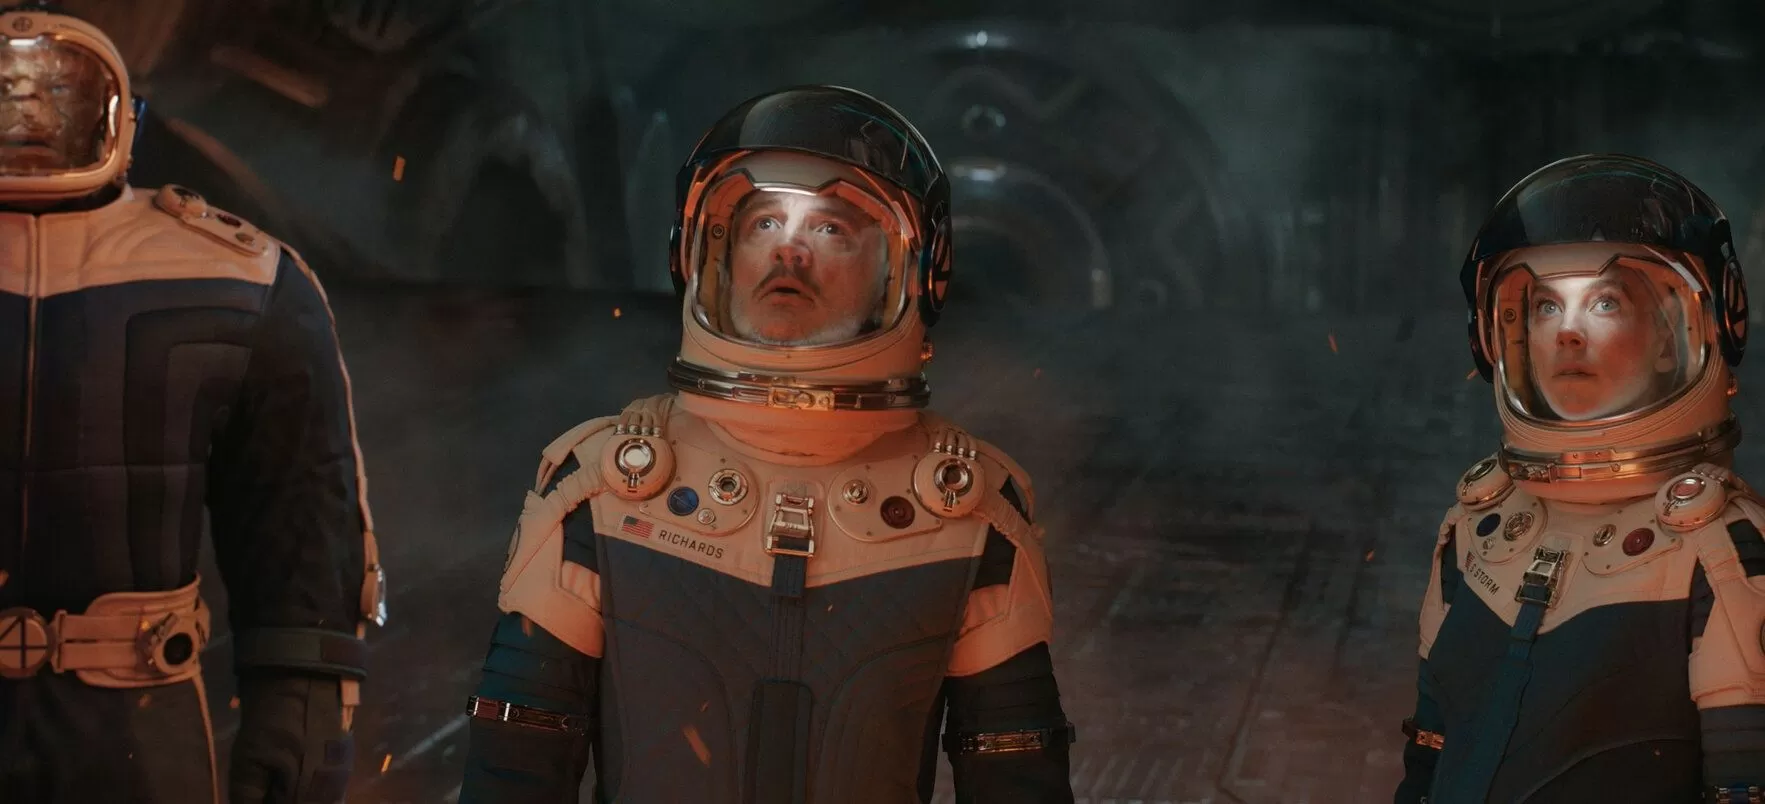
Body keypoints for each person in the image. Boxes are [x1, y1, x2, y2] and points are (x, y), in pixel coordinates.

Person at [460, 84, 1077, 803]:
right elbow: (515, 772)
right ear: (706, 254)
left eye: (830, 228)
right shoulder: (601, 489)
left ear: (909, 269)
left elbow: (1016, 785)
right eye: (762, 223)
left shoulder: (968, 513)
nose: (789, 248)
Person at [0, 5, 386, 803]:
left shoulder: (242, 280)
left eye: (54, 94)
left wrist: (302, 704)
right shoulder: (241, 283)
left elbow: (298, 519)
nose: (29, 117)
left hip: (139, 729)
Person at [1396, 153, 1765, 803]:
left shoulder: (1717, 554)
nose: (1567, 332)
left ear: (1673, 336)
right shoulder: (1476, 528)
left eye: (1603, 302)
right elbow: (1430, 751)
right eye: (1544, 306)